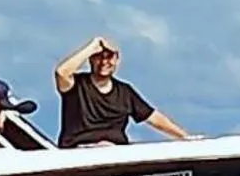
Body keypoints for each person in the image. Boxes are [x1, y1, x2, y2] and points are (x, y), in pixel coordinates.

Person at [53, 37, 191, 148]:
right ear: (91, 59)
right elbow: (61, 72)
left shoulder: (125, 92)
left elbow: (153, 118)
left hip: (115, 154)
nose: (104, 62)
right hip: (77, 153)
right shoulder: (76, 84)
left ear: (117, 60)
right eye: (99, 57)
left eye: (109, 57)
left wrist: (185, 138)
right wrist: (93, 45)